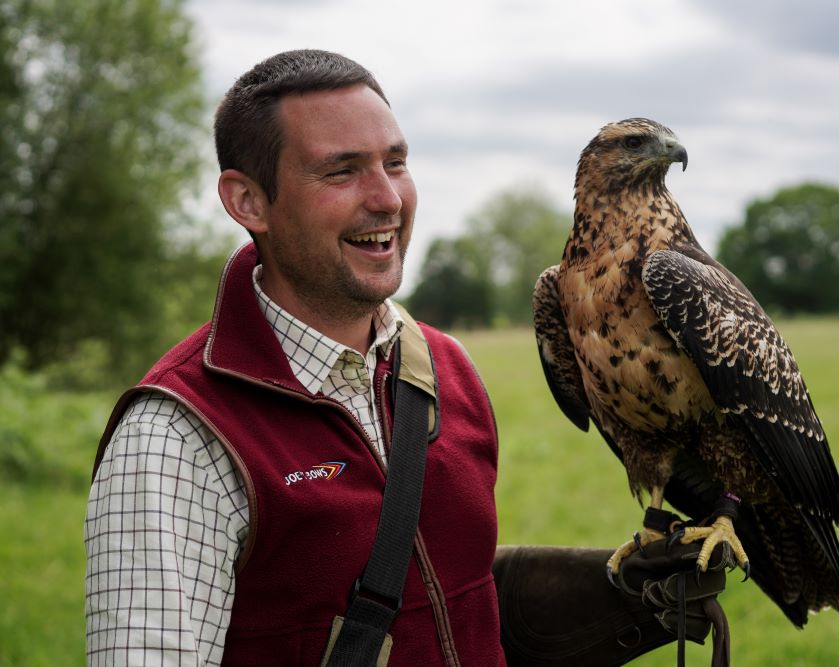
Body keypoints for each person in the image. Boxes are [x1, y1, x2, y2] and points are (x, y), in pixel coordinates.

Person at [85, 49, 727, 667]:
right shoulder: (176, 437)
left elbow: (427, 593)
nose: (387, 198)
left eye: (395, 163)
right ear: (248, 201)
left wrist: (590, 596)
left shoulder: (446, 369)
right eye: (341, 171)